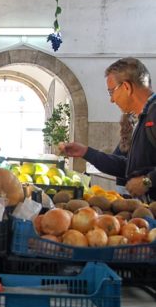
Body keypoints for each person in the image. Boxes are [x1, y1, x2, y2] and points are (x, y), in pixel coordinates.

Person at [59, 57, 156, 200]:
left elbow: (143, 177)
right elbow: (129, 168)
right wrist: (86, 152)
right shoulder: (142, 118)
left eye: (112, 92)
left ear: (127, 87)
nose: (112, 100)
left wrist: (148, 181)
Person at [112, 113, 136, 193]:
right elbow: (114, 158)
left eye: (126, 125)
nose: (122, 129)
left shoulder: (135, 141)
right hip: (124, 185)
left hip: (129, 185)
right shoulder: (124, 141)